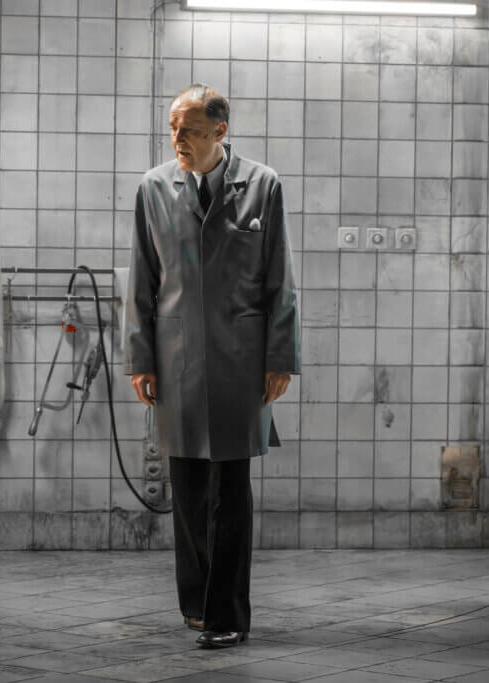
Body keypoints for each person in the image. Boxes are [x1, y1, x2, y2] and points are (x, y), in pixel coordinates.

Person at [123, 83, 300, 649]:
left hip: (239, 360)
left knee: (230, 492)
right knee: (189, 491)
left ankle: (228, 616)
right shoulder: (154, 188)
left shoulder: (262, 185)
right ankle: (197, 606)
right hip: (175, 359)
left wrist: (280, 357)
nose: (178, 139)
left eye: (191, 130)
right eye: (173, 129)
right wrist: (140, 358)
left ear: (220, 132)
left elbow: (280, 279)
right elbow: (142, 280)